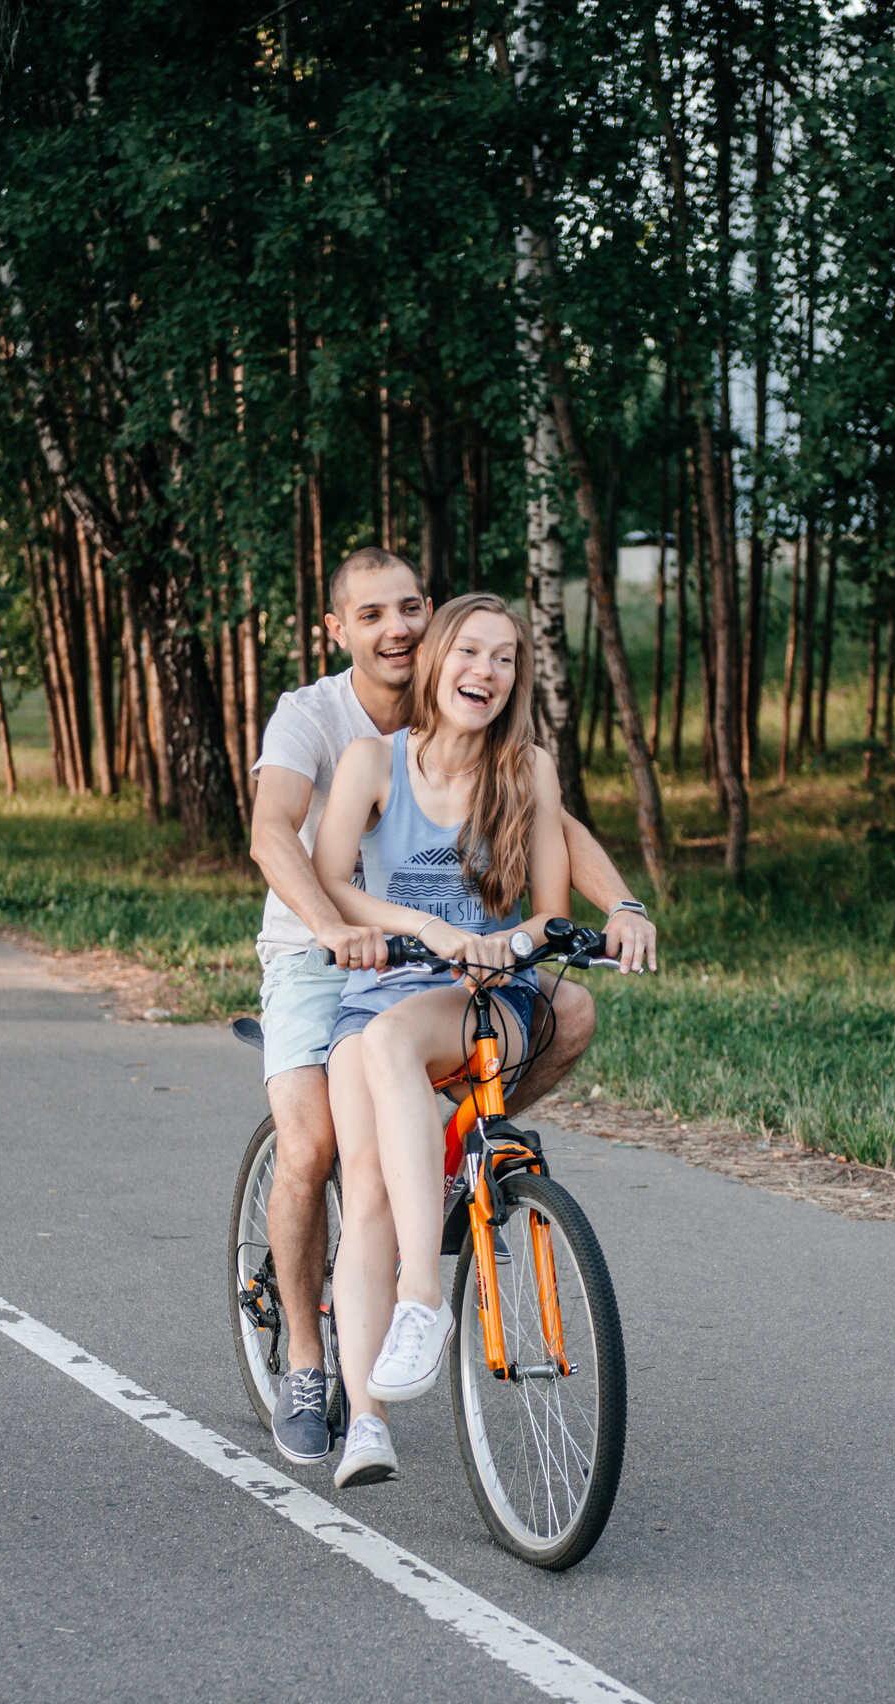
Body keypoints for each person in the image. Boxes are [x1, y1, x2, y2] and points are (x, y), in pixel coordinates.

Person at [247, 548, 655, 1471]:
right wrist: (344, 928)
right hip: (328, 953)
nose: (396, 629)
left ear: (425, 618)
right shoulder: (324, 724)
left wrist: (617, 907)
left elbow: (555, 843)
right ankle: (321, 1375)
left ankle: (433, 1227)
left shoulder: (516, 761)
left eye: (409, 610)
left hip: (462, 982)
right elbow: (284, 841)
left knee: (553, 1018)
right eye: (372, 615)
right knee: (317, 1151)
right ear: (340, 630)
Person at [308, 591, 570, 1487]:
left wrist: (503, 945)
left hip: (483, 998)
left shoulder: (527, 770)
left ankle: (423, 1294)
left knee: (390, 1046)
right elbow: (330, 880)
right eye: (468, 652)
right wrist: (424, 926)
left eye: (504, 659)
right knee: (366, 1188)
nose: (484, 672)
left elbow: (550, 913)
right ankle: (366, 1421)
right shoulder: (372, 761)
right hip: (381, 991)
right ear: (434, 661)